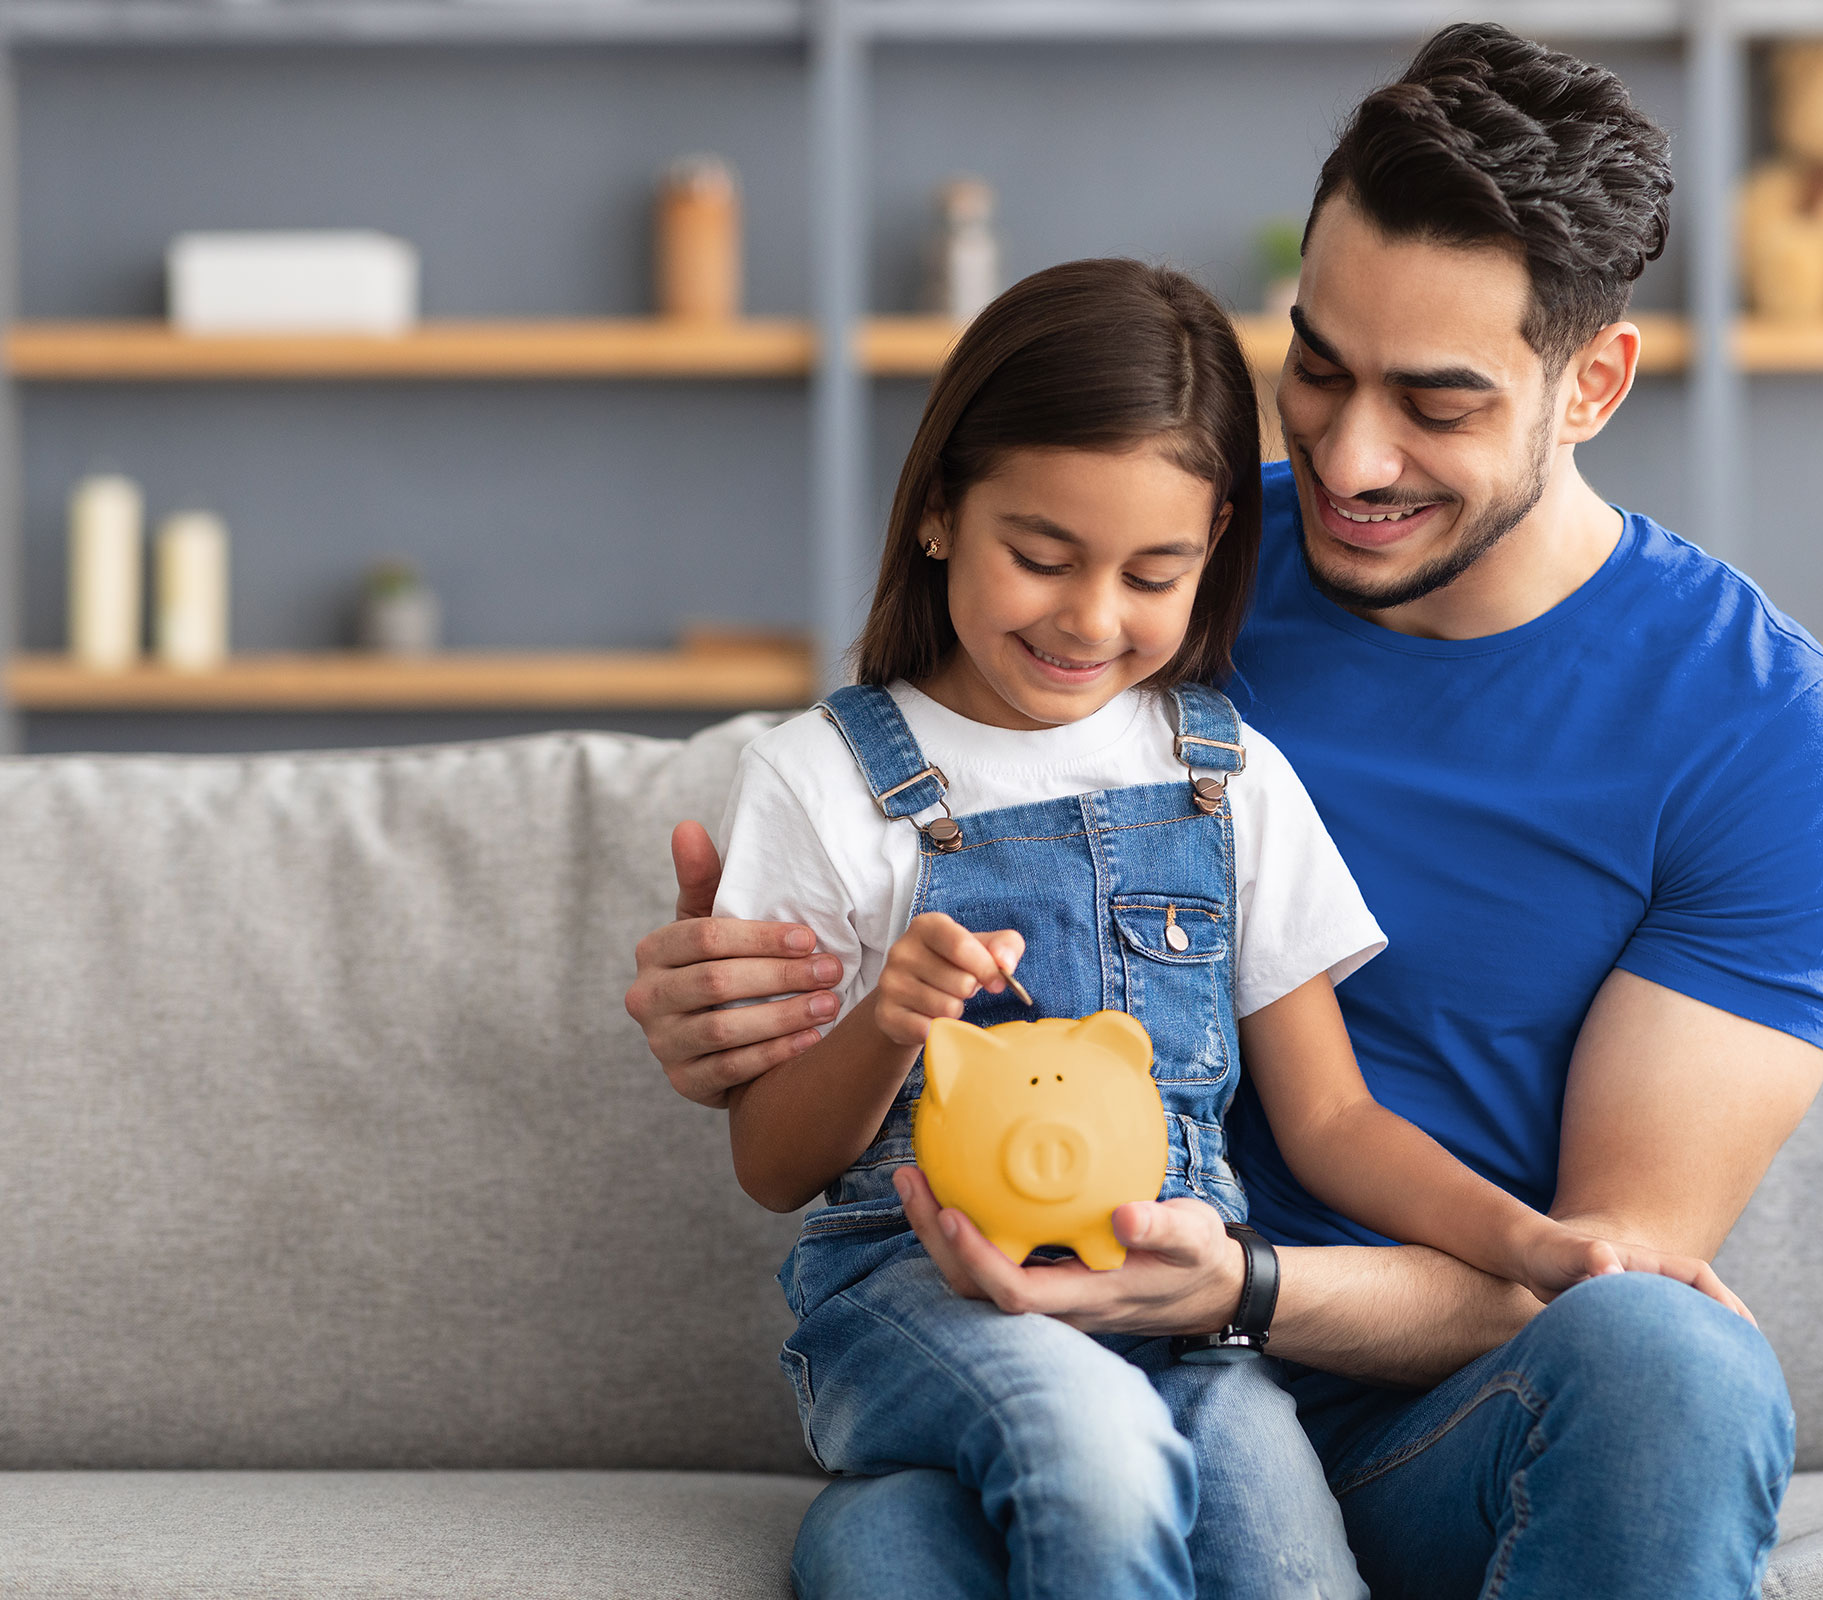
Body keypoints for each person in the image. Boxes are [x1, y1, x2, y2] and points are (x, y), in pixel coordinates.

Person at [628, 24, 1823, 1600]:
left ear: (1594, 385)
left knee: (1674, 1358)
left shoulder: (1761, 736)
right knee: (882, 1546)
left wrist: (1236, 1293)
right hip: (1045, 1367)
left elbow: (1576, 1279)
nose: (1351, 457)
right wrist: (748, 1013)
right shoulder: (1164, 559)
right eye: (1320, 363)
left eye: (1437, 403)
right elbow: (910, 789)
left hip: (1417, 1417)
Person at [714, 256, 1747, 1600]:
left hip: (1187, 1309)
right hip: (920, 1297)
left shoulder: (1229, 773)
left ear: (1215, 564)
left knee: (1285, 1560)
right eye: (1041, 556)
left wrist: (1535, 1244)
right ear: (937, 518)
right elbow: (772, 1165)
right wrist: (887, 1025)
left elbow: (1331, 1123)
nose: (1091, 617)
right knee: (1098, 1454)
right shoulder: (824, 779)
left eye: (1157, 574)